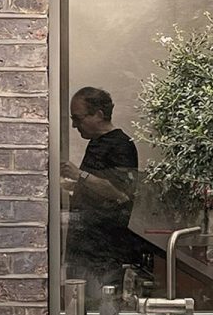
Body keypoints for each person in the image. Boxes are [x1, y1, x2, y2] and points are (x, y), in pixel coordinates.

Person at [63, 86, 149, 288]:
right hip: (84, 244)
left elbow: (120, 193)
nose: (75, 125)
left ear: (99, 115)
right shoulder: (96, 142)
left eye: (78, 118)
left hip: (104, 249)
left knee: (101, 305)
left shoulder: (121, 145)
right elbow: (97, 186)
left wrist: (80, 175)